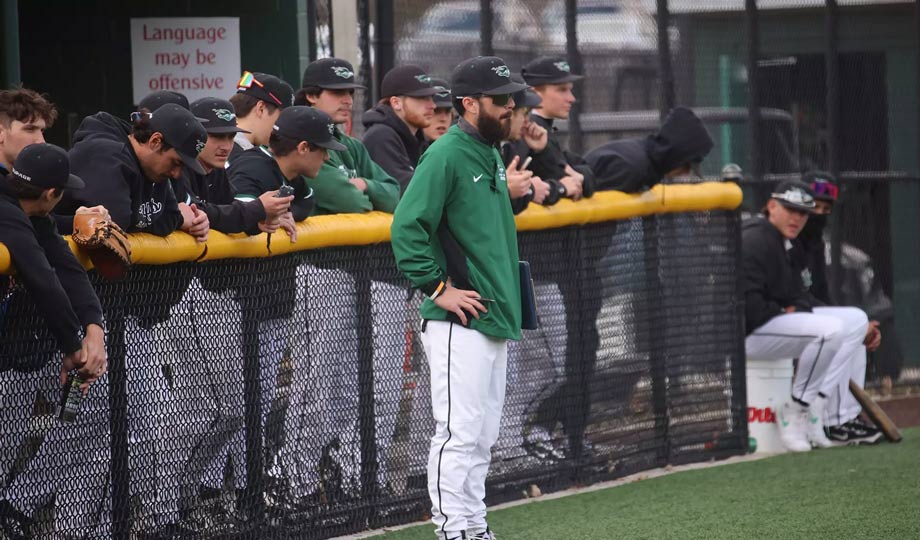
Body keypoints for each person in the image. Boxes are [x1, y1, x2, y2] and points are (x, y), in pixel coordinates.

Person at [391, 55, 527, 540]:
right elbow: (407, 229)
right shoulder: (446, 153)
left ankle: (473, 525)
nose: (511, 106)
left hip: (490, 316)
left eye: (512, 97)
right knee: (459, 432)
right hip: (457, 320)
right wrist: (438, 288)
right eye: (501, 99)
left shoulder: (488, 151)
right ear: (470, 103)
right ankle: (453, 531)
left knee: (483, 436)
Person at [0, 143, 108, 538]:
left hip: (20, 353)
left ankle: (16, 511)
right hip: (14, 359)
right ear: (51, 193)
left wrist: (92, 327)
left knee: (87, 413)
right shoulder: (8, 213)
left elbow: (65, 268)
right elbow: (42, 279)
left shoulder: (33, 216)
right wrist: (72, 347)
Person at [742, 180, 876, 452]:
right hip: (746, 335)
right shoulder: (756, 238)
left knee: (854, 321)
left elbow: (797, 296)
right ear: (771, 206)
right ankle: (798, 407)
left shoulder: (784, 242)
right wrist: (782, 310)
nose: (797, 218)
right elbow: (749, 306)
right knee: (829, 331)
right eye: (790, 209)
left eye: (803, 212)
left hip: (769, 326)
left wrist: (791, 308)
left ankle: (818, 407)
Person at [795, 171, 888, 444]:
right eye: (814, 206)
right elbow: (791, 293)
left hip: (806, 314)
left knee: (857, 326)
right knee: (852, 323)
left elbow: (821, 295)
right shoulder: (787, 240)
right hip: (779, 316)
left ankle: (844, 418)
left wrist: (859, 327)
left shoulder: (813, 242)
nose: (818, 213)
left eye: (826, 209)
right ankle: (832, 419)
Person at [57, 102, 210, 242]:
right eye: (176, 163)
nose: (176, 174)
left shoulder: (153, 169)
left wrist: (183, 219)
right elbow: (115, 225)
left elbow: (170, 217)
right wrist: (177, 219)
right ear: (155, 141)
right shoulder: (107, 154)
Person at [296, 57, 400, 214]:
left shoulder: (352, 146)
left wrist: (364, 184)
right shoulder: (299, 143)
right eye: (337, 92)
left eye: (350, 92)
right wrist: (373, 201)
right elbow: (353, 204)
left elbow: (395, 197)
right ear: (311, 95)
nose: (348, 101)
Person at [175, 97, 294, 234]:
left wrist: (260, 221)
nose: (226, 146)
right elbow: (197, 212)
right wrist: (258, 209)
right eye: (217, 136)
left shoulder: (216, 170)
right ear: (194, 133)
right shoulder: (177, 167)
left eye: (231, 137)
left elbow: (228, 211)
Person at [585, 107, 715, 191]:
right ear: (678, 158)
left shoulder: (647, 164)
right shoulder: (632, 167)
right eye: (687, 164)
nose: (687, 172)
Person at [520, 56, 596, 202]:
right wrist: (569, 178)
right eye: (562, 90)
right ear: (534, 92)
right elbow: (560, 178)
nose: (571, 98)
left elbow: (589, 173)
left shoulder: (546, 129)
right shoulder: (527, 132)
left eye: (570, 90)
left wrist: (579, 176)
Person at [362, 64, 439, 193]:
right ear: (396, 103)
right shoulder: (381, 136)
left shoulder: (416, 138)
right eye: (422, 98)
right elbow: (402, 190)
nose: (433, 105)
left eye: (431, 98)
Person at [502, 86, 552, 213]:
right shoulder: (467, 145)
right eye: (524, 114)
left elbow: (553, 182)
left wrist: (542, 151)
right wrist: (529, 191)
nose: (527, 122)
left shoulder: (516, 145)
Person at [228, 71, 295, 165]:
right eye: (282, 117)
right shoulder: (240, 158)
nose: (282, 125)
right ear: (261, 108)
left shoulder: (215, 147)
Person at [422, 77, 455, 145]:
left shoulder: (459, 150)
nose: (443, 119)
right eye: (436, 111)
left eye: (447, 111)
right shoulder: (398, 147)